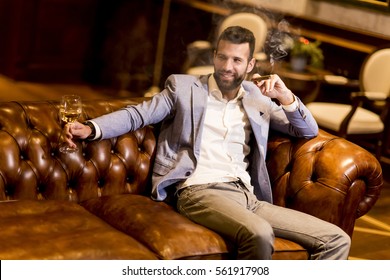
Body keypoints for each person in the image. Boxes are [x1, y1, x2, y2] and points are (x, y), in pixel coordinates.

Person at [64, 26, 351, 260]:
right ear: (214, 56)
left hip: (248, 197)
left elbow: (306, 129)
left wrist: (286, 97)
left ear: (250, 65)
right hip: (199, 191)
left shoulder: (257, 98)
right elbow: (138, 114)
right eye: (222, 57)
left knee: (336, 239)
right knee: (260, 233)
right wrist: (91, 128)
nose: (227, 67)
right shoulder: (183, 87)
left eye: (237, 60)